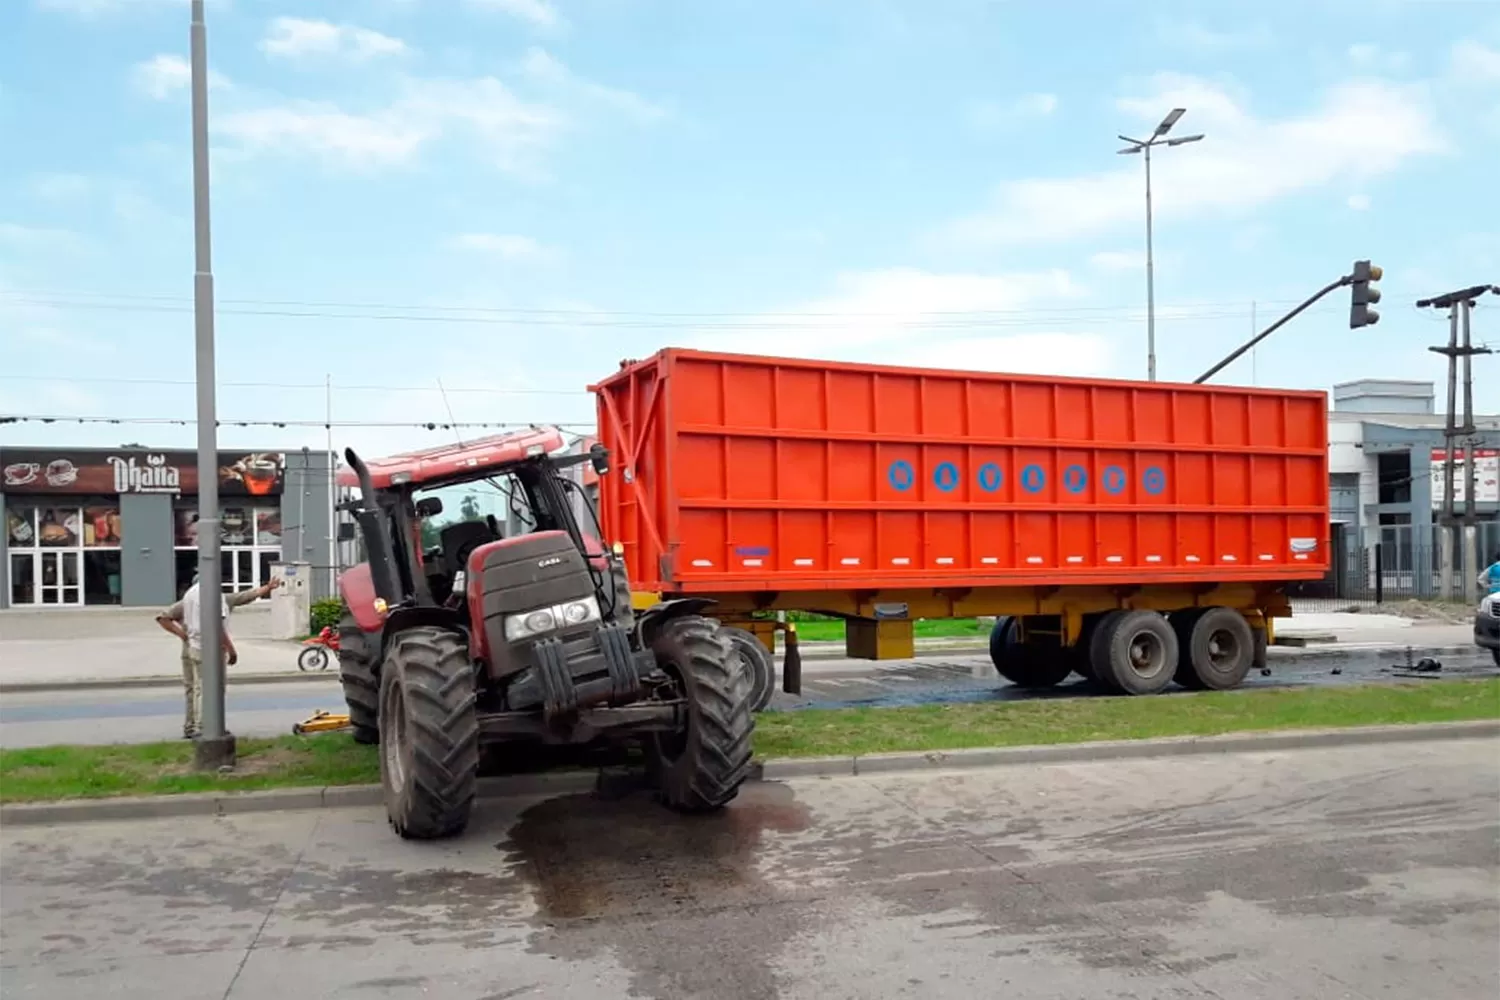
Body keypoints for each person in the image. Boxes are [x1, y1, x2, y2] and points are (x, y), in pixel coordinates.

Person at [156, 575, 283, 739]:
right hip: (204, 649)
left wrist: (267, 588)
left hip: (194, 649)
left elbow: (243, 597)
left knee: (194, 689)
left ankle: (193, 726)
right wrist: (185, 636)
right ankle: (203, 727)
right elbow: (164, 618)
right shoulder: (201, 600)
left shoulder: (200, 598)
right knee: (204, 689)